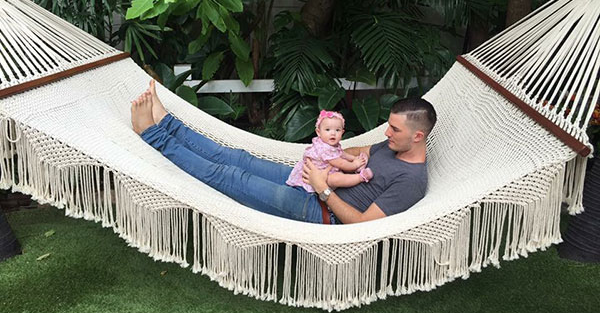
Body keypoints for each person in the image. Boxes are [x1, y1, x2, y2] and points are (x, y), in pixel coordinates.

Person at [131, 80, 436, 224]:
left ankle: (152, 135)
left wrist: (324, 189)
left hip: (320, 209)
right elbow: (356, 150)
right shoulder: (392, 146)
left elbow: (362, 225)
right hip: (311, 179)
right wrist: (341, 161)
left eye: (394, 130)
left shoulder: (411, 180)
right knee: (238, 158)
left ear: (418, 136)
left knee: (230, 176)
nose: (386, 133)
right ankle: (167, 123)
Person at [286, 109, 373, 193]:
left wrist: (354, 158)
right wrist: (355, 164)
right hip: (317, 176)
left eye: (337, 130)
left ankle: (358, 169)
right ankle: (360, 177)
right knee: (336, 178)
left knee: (342, 171)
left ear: (342, 132)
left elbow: (341, 153)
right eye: (327, 130)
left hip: (324, 171)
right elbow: (341, 163)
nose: (333, 133)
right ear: (318, 132)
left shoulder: (329, 144)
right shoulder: (324, 149)